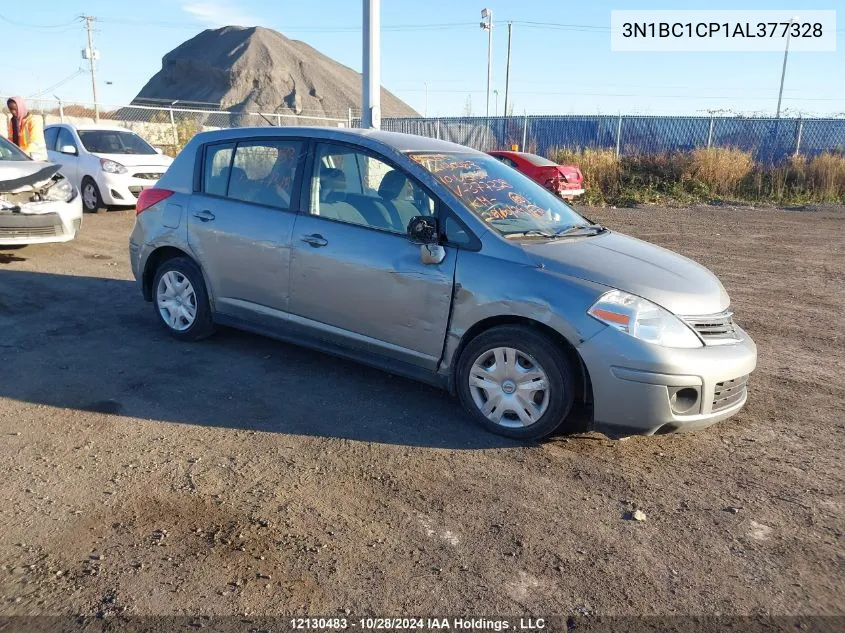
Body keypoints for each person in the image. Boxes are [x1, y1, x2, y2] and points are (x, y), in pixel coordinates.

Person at [6, 97, 47, 161]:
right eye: (11, 109)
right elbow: (10, 141)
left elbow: (35, 143)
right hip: (23, 158)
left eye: (15, 109)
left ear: (21, 108)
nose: (13, 112)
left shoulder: (34, 121)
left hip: (37, 159)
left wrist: (21, 155)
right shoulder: (14, 121)